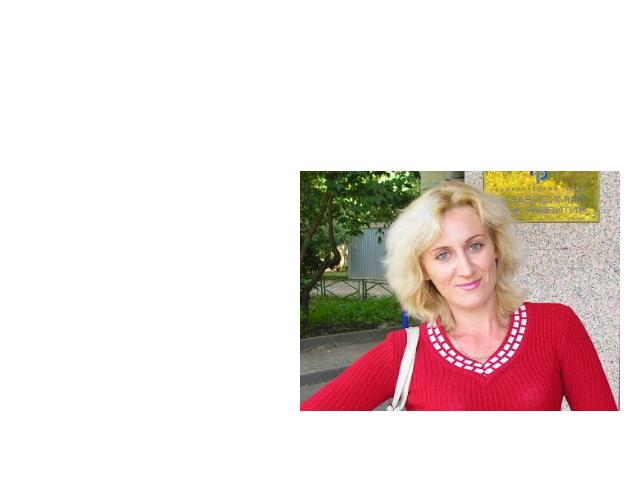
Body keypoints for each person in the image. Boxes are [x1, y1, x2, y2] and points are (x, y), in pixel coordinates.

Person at [301, 181, 617, 411]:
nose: (466, 268)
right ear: (423, 269)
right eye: (442, 255)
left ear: (496, 248)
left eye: (475, 245)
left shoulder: (557, 325)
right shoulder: (405, 352)